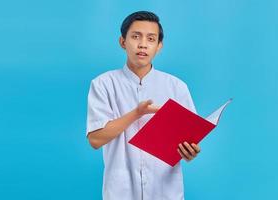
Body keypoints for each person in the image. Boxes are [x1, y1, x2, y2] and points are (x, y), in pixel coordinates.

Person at [86, 11, 201, 200]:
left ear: (159, 46)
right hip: (120, 192)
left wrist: (190, 152)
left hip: (166, 192)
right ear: (123, 42)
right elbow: (95, 140)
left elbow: (190, 139)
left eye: (151, 39)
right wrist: (137, 113)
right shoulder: (103, 84)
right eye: (135, 36)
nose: (142, 44)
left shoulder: (177, 87)